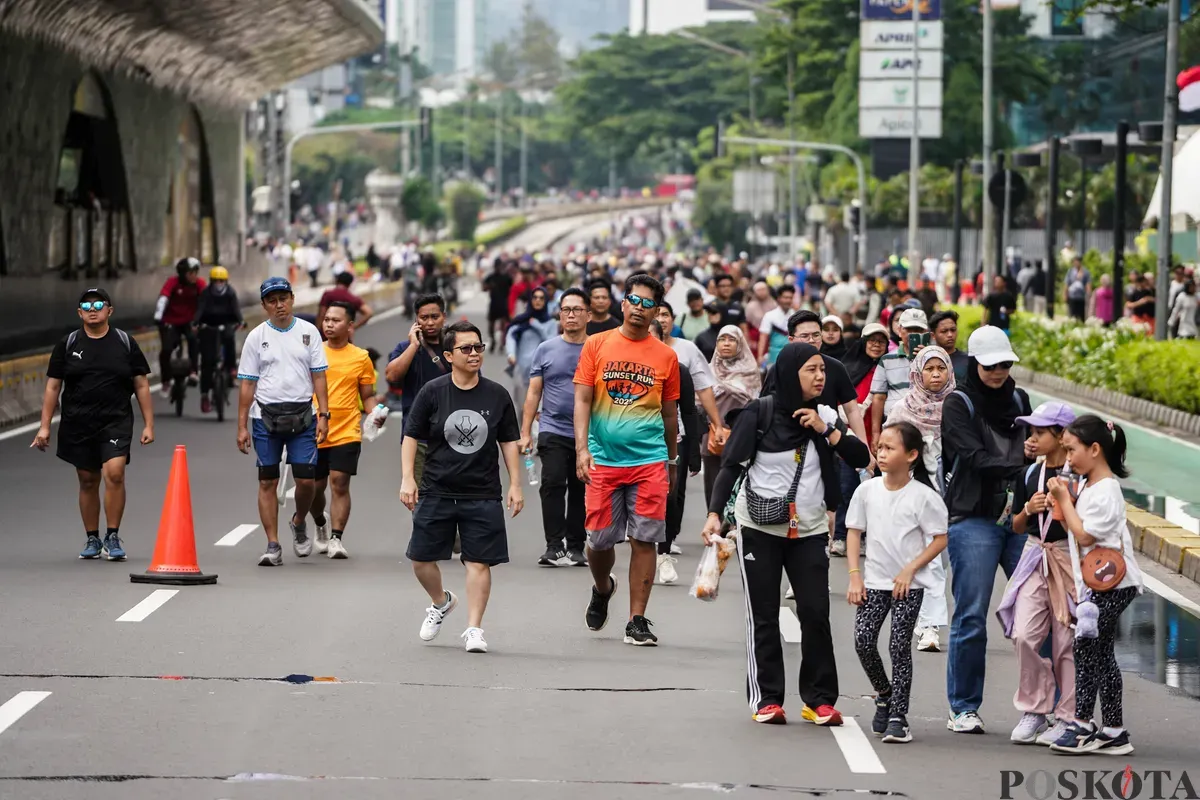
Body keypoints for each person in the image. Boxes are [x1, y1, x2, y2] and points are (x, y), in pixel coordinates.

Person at [703, 343, 870, 726]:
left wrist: (825, 430)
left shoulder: (824, 415)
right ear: (791, 372)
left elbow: (861, 458)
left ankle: (819, 700)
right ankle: (767, 699)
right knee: (762, 614)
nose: (819, 376)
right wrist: (715, 514)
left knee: (815, 612)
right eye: (811, 369)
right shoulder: (759, 414)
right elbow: (730, 467)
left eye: (822, 370)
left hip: (809, 530)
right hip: (758, 529)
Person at [400, 322, 523, 655]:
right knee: (421, 559)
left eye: (478, 347)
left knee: (478, 562)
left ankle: (474, 628)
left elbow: (509, 441)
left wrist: (515, 484)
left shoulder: (497, 395)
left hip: (481, 492)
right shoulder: (433, 392)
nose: (474, 354)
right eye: (466, 349)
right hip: (437, 488)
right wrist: (407, 478)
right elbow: (412, 435)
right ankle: (441, 602)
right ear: (449, 355)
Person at [575, 274, 680, 647]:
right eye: (634, 300)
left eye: (648, 303)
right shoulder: (596, 344)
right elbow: (583, 400)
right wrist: (582, 449)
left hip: (649, 459)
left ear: (656, 312)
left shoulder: (666, 356)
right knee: (600, 540)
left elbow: (670, 414)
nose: (639, 308)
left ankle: (637, 619)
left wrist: (672, 459)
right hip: (602, 459)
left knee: (644, 539)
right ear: (623, 303)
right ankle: (603, 587)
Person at [941, 325, 1032, 734]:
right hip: (973, 518)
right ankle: (963, 707)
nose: (999, 371)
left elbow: (1039, 445)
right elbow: (974, 458)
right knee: (972, 617)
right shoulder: (957, 403)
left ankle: (1042, 708)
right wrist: (1023, 467)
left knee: (1038, 615)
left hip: (1021, 519)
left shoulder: (1020, 399)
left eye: (1005, 364)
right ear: (975, 362)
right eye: (991, 364)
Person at [1044, 415, 1143, 755]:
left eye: (1072, 450)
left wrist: (1066, 501)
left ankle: (1083, 724)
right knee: (1099, 654)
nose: (1068, 458)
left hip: (1114, 584)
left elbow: (1085, 533)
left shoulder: (1107, 491)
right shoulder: (1089, 484)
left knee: (1088, 651)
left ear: (1095, 449)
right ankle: (1113, 729)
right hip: (1098, 585)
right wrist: (1061, 501)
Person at [32, 288, 154, 560]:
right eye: (86, 305)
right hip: (78, 421)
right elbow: (53, 387)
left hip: (116, 419)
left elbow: (141, 384)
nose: (92, 308)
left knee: (115, 473)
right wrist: (44, 426)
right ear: (79, 313)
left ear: (110, 310)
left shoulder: (124, 342)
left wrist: (149, 424)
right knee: (87, 480)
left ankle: (112, 536)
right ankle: (92, 539)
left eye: (99, 304)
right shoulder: (68, 344)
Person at [847, 422, 948, 743]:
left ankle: (898, 716)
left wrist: (910, 570)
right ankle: (884, 693)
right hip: (873, 583)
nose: (882, 453)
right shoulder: (867, 491)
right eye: (880, 447)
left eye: (890, 448)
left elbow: (940, 538)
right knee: (863, 641)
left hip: (909, 585)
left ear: (912, 455)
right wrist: (854, 576)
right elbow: (853, 532)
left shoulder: (924, 497)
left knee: (898, 647)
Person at [998, 401, 1078, 746]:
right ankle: (1035, 709)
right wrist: (1029, 508)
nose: (1032, 438)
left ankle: (1068, 715)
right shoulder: (1030, 473)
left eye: (1040, 432)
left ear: (1062, 437)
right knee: (1025, 633)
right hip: (1035, 555)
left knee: (1067, 641)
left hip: (1068, 560)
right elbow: (1015, 526)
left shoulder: (1082, 476)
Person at [236, 277, 330, 567]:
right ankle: (273, 544)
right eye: (272, 301)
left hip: (303, 415)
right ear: (264, 305)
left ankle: (299, 519)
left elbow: (319, 375)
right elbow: (247, 384)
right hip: (265, 418)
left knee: (306, 481)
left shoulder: (308, 332)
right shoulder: (256, 337)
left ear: (292, 299)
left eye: (283, 299)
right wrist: (241, 425)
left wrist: (324, 415)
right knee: (267, 480)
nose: (279, 305)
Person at [882, 347, 955, 652]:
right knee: (910, 558)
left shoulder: (958, 407)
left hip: (948, 493)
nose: (936, 374)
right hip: (910, 494)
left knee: (936, 561)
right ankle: (918, 620)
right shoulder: (902, 410)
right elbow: (888, 450)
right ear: (917, 373)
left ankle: (929, 626)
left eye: (941, 368)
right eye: (930, 368)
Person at [518, 288, 590, 568]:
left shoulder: (597, 348)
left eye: (576, 310)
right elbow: (534, 393)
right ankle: (553, 546)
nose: (570, 315)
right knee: (552, 483)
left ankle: (575, 546)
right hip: (552, 428)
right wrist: (525, 432)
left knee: (580, 487)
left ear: (588, 315)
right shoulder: (545, 349)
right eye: (566, 310)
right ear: (559, 314)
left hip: (589, 433)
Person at [306, 302, 379, 560]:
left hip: (347, 430)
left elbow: (367, 396)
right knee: (313, 489)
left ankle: (336, 538)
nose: (329, 324)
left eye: (336, 320)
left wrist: (375, 414)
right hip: (312, 430)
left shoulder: (360, 357)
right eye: (326, 319)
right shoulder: (312, 353)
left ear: (350, 326)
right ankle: (320, 521)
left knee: (339, 483)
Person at [385, 294, 449, 487]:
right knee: (421, 496)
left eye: (434, 317)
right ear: (416, 320)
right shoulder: (405, 348)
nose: (429, 323)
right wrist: (414, 345)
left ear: (443, 317)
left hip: (453, 433)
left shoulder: (456, 347)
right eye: (424, 318)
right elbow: (392, 376)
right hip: (417, 437)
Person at [703, 326, 761, 506]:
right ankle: (714, 523)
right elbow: (699, 400)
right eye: (722, 339)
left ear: (740, 344)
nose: (726, 343)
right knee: (712, 482)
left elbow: (755, 403)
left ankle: (734, 527)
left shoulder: (750, 372)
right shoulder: (707, 371)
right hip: (712, 434)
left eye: (732, 339)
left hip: (740, 435)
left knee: (739, 482)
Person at [869, 308, 930, 446]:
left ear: (926, 333)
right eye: (908, 329)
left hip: (926, 427)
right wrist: (876, 433)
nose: (912, 334)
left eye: (918, 330)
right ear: (899, 329)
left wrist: (925, 359)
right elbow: (879, 397)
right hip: (894, 425)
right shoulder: (887, 359)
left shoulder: (935, 358)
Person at [194, 265, 244, 415]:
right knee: (207, 361)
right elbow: (200, 309)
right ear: (211, 281)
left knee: (229, 339)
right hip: (208, 326)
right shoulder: (206, 293)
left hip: (226, 324)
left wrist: (240, 321)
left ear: (226, 281)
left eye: (221, 281)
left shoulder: (230, 293)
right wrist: (195, 322)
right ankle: (204, 395)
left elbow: (236, 309)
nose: (219, 284)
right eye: (216, 281)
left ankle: (231, 368)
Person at [155, 257, 205, 398]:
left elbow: (206, 300)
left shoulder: (199, 284)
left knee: (193, 340)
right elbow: (163, 298)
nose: (194, 276)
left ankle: (194, 372)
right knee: (166, 349)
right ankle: (166, 381)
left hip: (190, 321)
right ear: (183, 274)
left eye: (196, 272)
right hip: (172, 321)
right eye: (191, 273)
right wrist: (158, 316)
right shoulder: (173, 282)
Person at [506, 287, 558, 412]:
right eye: (535, 298)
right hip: (521, 368)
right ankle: (522, 432)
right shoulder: (521, 321)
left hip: (542, 370)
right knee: (521, 406)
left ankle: (534, 432)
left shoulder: (550, 323)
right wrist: (511, 354)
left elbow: (550, 342)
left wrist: (536, 325)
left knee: (537, 408)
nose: (538, 301)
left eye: (541, 298)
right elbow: (511, 337)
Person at [928, 310, 969, 383]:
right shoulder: (927, 360)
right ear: (933, 335)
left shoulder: (968, 360)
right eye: (944, 331)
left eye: (953, 330)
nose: (950, 335)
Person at [483, 260, 514, 352]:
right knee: (491, 324)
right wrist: (489, 286)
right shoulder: (491, 277)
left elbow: (512, 288)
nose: (498, 268)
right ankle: (493, 340)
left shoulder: (507, 277)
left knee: (503, 324)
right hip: (494, 302)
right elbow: (484, 288)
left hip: (504, 303)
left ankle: (502, 343)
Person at [1064, 257, 1091, 322]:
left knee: (1081, 315)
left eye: (1077, 261)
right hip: (1072, 296)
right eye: (1074, 262)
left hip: (1081, 296)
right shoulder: (1070, 271)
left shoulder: (1085, 272)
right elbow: (1067, 283)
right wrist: (1065, 294)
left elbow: (1088, 284)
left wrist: (1089, 294)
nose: (1075, 263)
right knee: (1072, 314)